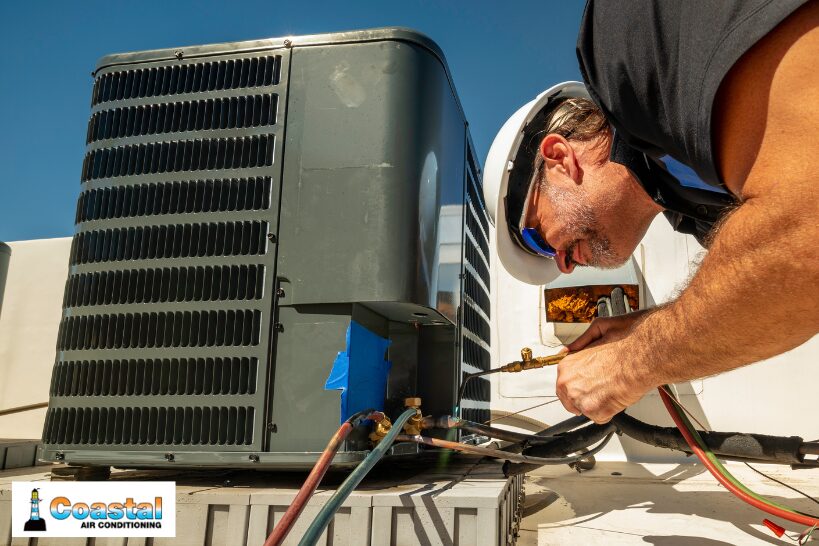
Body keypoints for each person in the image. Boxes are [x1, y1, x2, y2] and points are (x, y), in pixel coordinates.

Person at [483, 0, 819, 424]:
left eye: (537, 238)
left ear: (558, 158)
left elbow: (806, 229)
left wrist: (632, 363)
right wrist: (649, 331)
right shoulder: (699, 210)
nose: (564, 266)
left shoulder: (625, 40)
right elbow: (793, 285)